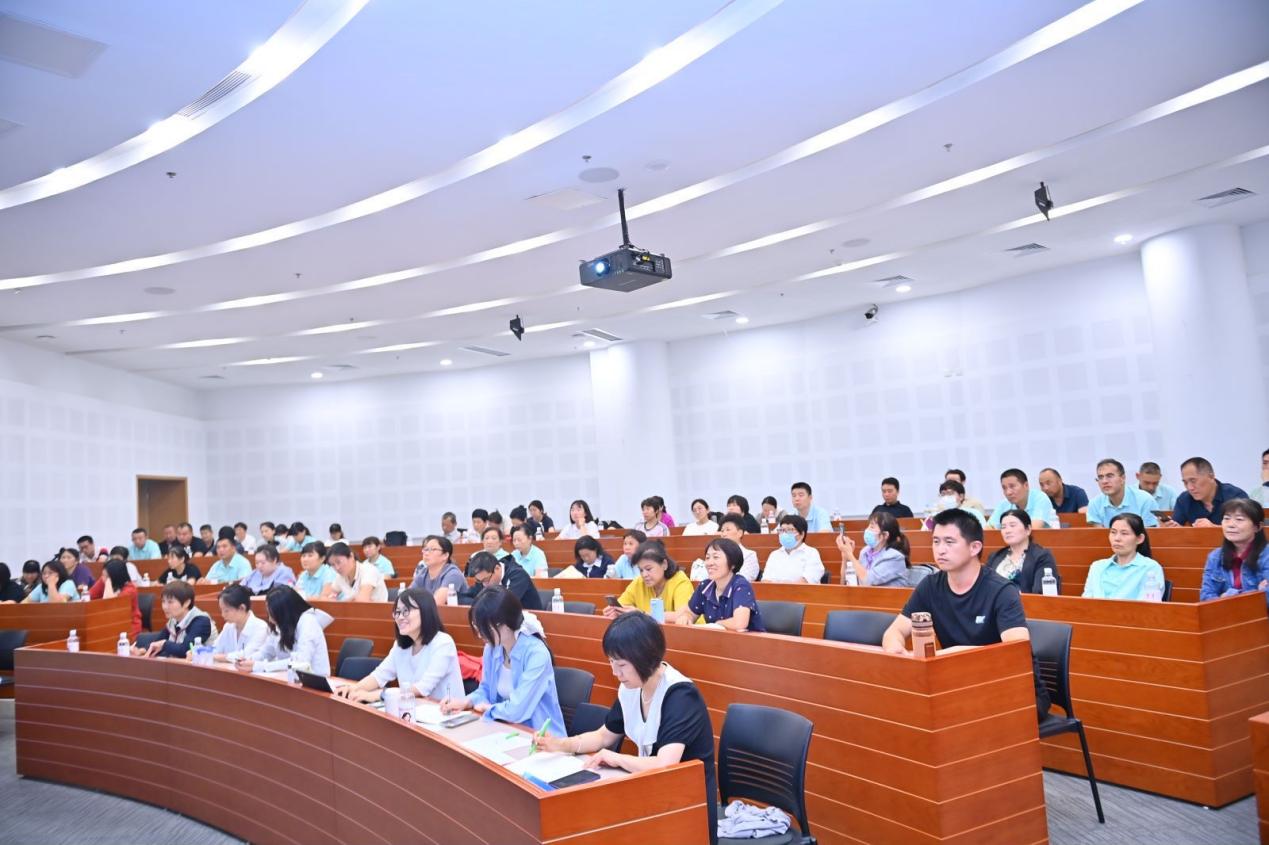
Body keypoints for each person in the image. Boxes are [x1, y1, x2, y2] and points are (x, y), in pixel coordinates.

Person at [532, 612, 718, 845]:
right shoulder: (632, 687)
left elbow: (666, 764)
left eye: (621, 665)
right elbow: (603, 736)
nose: (614, 672)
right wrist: (560, 744)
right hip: (652, 793)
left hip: (688, 806)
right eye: (611, 662)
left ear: (645, 658)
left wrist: (618, 758)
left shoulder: (680, 695)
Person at [881, 509, 1049, 716]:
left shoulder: (1002, 590)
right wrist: (895, 649)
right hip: (962, 683)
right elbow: (895, 631)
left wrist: (944, 655)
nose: (940, 550)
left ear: (974, 547)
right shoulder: (930, 586)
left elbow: (1015, 651)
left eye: (949, 542)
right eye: (936, 541)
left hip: (1016, 689)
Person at [438, 586, 565, 734]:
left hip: (541, 736)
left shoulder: (537, 654)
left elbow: (517, 710)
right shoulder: (492, 648)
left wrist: (490, 709)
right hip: (506, 730)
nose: (480, 635)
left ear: (505, 624)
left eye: (484, 628)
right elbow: (485, 689)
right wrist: (466, 701)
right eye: (477, 628)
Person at [336, 588, 464, 702]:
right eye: (397, 612)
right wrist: (354, 688)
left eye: (406, 611)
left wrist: (377, 695)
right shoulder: (400, 645)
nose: (400, 617)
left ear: (425, 612)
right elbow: (379, 676)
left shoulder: (443, 643)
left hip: (446, 715)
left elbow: (422, 688)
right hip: (412, 710)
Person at [238, 586, 333, 676]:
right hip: (288, 678)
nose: (270, 620)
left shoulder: (308, 622)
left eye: (273, 614)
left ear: (284, 613)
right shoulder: (282, 624)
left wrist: (261, 666)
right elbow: (266, 652)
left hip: (314, 681)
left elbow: (300, 662)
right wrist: (248, 660)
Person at [683, 538, 765, 631]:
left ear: (732, 564)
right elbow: (690, 612)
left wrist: (718, 624)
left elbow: (740, 623)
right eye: (707, 558)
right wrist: (686, 617)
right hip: (717, 639)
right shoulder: (705, 586)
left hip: (748, 639)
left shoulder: (741, 585)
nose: (709, 563)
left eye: (716, 557)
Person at [1082, 514, 1165, 601]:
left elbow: (1148, 606)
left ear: (1139, 539)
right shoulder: (1097, 566)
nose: (1117, 538)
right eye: (1113, 532)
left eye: (1124, 533)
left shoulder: (1150, 568)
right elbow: (1086, 601)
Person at [605, 541, 693, 623]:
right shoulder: (639, 582)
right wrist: (616, 612)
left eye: (648, 569)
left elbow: (682, 616)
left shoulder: (680, 580)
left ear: (664, 564)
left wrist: (641, 615)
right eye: (641, 570)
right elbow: (622, 605)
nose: (644, 575)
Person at [1199, 499, 1269, 601]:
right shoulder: (1215, 557)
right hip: (1223, 612)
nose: (1230, 525)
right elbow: (1205, 597)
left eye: (1239, 519)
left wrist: (1225, 597)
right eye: (1226, 518)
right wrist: (1256, 592)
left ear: (1257, 527)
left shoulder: (1266, 555)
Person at [985, 509, 1060, 594]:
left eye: (1012, 525)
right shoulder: (995, 556)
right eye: (1003, 527)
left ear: (1028, 529)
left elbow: (1041, 592)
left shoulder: (1042, 556)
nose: (1007, 531)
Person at [132, 581, 213, 658]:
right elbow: (159, 640)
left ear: (186, 603)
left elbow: (185, 650)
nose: (165, 607)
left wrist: (164, 644)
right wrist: (142, 651)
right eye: (163, 601)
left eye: (170, 602)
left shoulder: (201, 621)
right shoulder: (174, 619)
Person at [836, 511, 909, 587]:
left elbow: (868, 581)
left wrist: (850, 555)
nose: (867, 530)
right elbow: (845, 584)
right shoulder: (865, 552)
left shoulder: (895, 557)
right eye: (868, 526)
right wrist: (845, 557)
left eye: (872, 527)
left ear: (885, 535)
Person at [1171, 457, 1249, 526]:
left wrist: (1213, 528)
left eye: (1193, 481)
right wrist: (1172, 528)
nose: (1190, 487)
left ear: (1211, 477)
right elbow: (1176, 528)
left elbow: (1247, 529)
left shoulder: (1235, 496)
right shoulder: (1184, 499)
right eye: (1185, 482)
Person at [1086, 458, 1158, 527]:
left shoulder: (1145, 500)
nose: (1104, 481)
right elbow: (1100, 534)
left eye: (1110, 476)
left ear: (1123, 478)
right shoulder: (1094, 504)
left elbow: (1150, 533)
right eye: (1100, 477)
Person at [464, 551, 542, 610]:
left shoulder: (518, 575)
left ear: (497, 568)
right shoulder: (483, 578)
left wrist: (480, 603)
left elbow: (505, 605)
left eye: (486, 580)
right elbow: (464, 597)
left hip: (530, 621)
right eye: (479, 581)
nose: (484, 585)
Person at [212, 584, 269, 662]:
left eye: (226, 611)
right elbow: (215, 649)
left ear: (242, 608)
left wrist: (216, 657)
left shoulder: (261, 628)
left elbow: (246, 656)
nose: (223, 615)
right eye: (221, 610)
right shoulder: (228, 626)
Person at [762, 515, 825, 583]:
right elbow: (765, 580)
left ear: (801, 534)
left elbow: (807, 581)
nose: (784, 534)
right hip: (774, 590)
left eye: (790, 530)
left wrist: (786, 587)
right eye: (782, 530)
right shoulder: (774, 555)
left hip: (802, 590)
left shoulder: (811, 553)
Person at [87, 560, 142, 637]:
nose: (102, 578)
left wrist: (108, 582)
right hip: (108, 624)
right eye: (102, 575)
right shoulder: (103, 580)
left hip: (129, 627)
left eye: (106, 576)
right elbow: (88, 596)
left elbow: (110, 605)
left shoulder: (130, 589)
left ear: (115, 576)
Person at [988, 469, 1057, 529]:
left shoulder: (1040, 498)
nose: (1008, 492)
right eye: (1004, 488)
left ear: (1026, 485)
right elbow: (988, 529)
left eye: (1012, 486)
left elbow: (1033, 529)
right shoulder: (1004, 504)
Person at [411, 535, 467, 604]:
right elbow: (407, 598)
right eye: (426, 549)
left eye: (433, 549)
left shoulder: (453, 574)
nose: (426, 553)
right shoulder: (423, 573)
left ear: (445, 555)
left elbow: (437, 603)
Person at [324, 542, 388, 602]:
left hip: (378, 609)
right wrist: (331, 598)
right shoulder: (340, 576)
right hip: (354, 609)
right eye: (333, 565)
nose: (337, 568)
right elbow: (325, 596)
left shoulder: (369, 570)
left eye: (338, 562)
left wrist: (342, 602)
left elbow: (362, 600)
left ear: (351, 556)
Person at [717, 514, 760, 580]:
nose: (724, 534)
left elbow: (745, 579)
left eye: (728, 530)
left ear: (740, 533)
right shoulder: (717, 554)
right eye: (722, 531)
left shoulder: (749, 555)